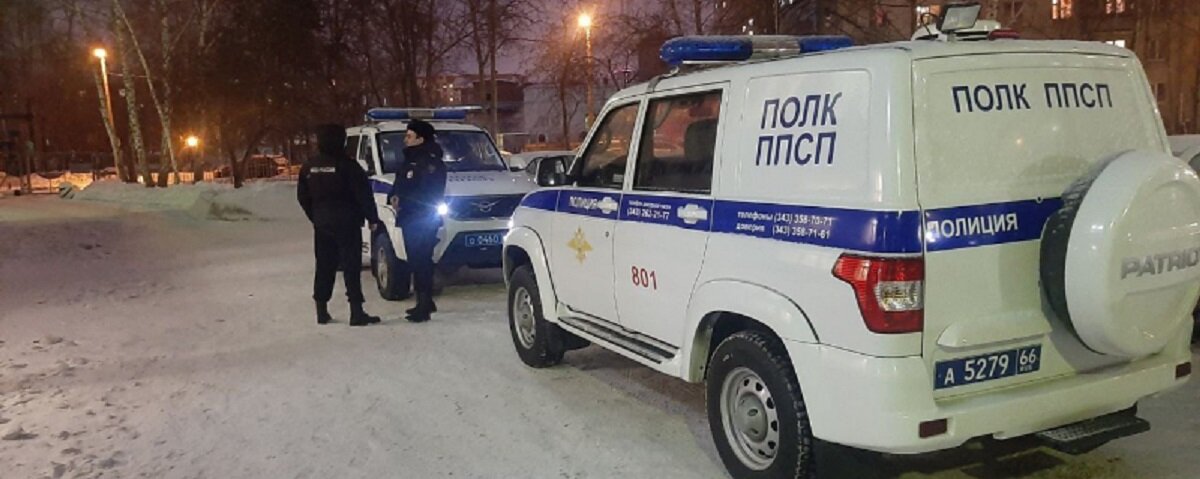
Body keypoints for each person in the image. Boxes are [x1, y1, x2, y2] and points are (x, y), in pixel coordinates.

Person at [298, 124, 384, 326]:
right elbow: (363, 194)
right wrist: (372, 218)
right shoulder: (349, 166)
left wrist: (316, 216)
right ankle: (356, 311)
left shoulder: (309, 166)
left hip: (322, 223)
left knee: (324, 265)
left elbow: (302, 196)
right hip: (348, 222)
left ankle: (321, 310)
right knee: (351, 266)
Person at [388, 119, 447, 323]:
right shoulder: (410, 159)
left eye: (409, 136)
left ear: (420, 139)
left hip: (421, 217)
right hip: (409, 217)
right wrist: (393, 196)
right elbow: (400, 183)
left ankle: (424, 304)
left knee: (421, 261)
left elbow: (428, 191)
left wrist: (403, 199)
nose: (405, 140)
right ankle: (424, 300)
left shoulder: (430, 162)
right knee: (416, 260)